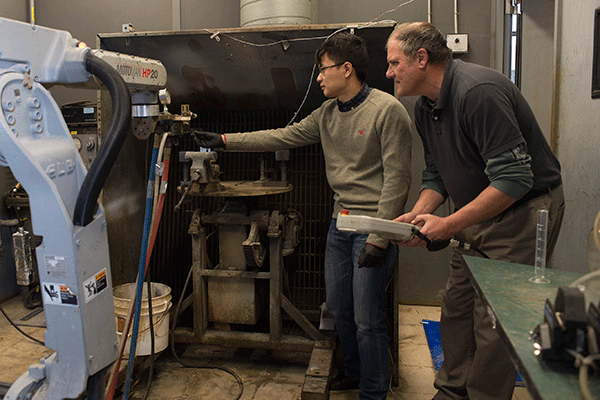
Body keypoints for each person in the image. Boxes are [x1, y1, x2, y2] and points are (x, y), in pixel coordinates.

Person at [194, 31, 412, 400]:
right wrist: (227, 141)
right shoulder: (326, 114)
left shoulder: (387, 110)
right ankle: (354, 372)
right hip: (338, 225)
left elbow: (397, 180)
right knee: (341, 310)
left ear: (347, 68)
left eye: (323, 70)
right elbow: (282, 136)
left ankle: (374, 392)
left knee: (366, 319)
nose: (319, 78)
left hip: (373, 226)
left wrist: (380, 237)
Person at [385, 22, 564, 400]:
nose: (388, 73)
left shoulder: (478, 92)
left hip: (522, 213)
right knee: (457, 308)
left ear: (421, 59)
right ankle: (452, 391)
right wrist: (420, 216)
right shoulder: (424, 108)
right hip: (475, 214)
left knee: (493, 322)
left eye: (394, 63)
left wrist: (448, 224)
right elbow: (436, 175)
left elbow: (514, 180)